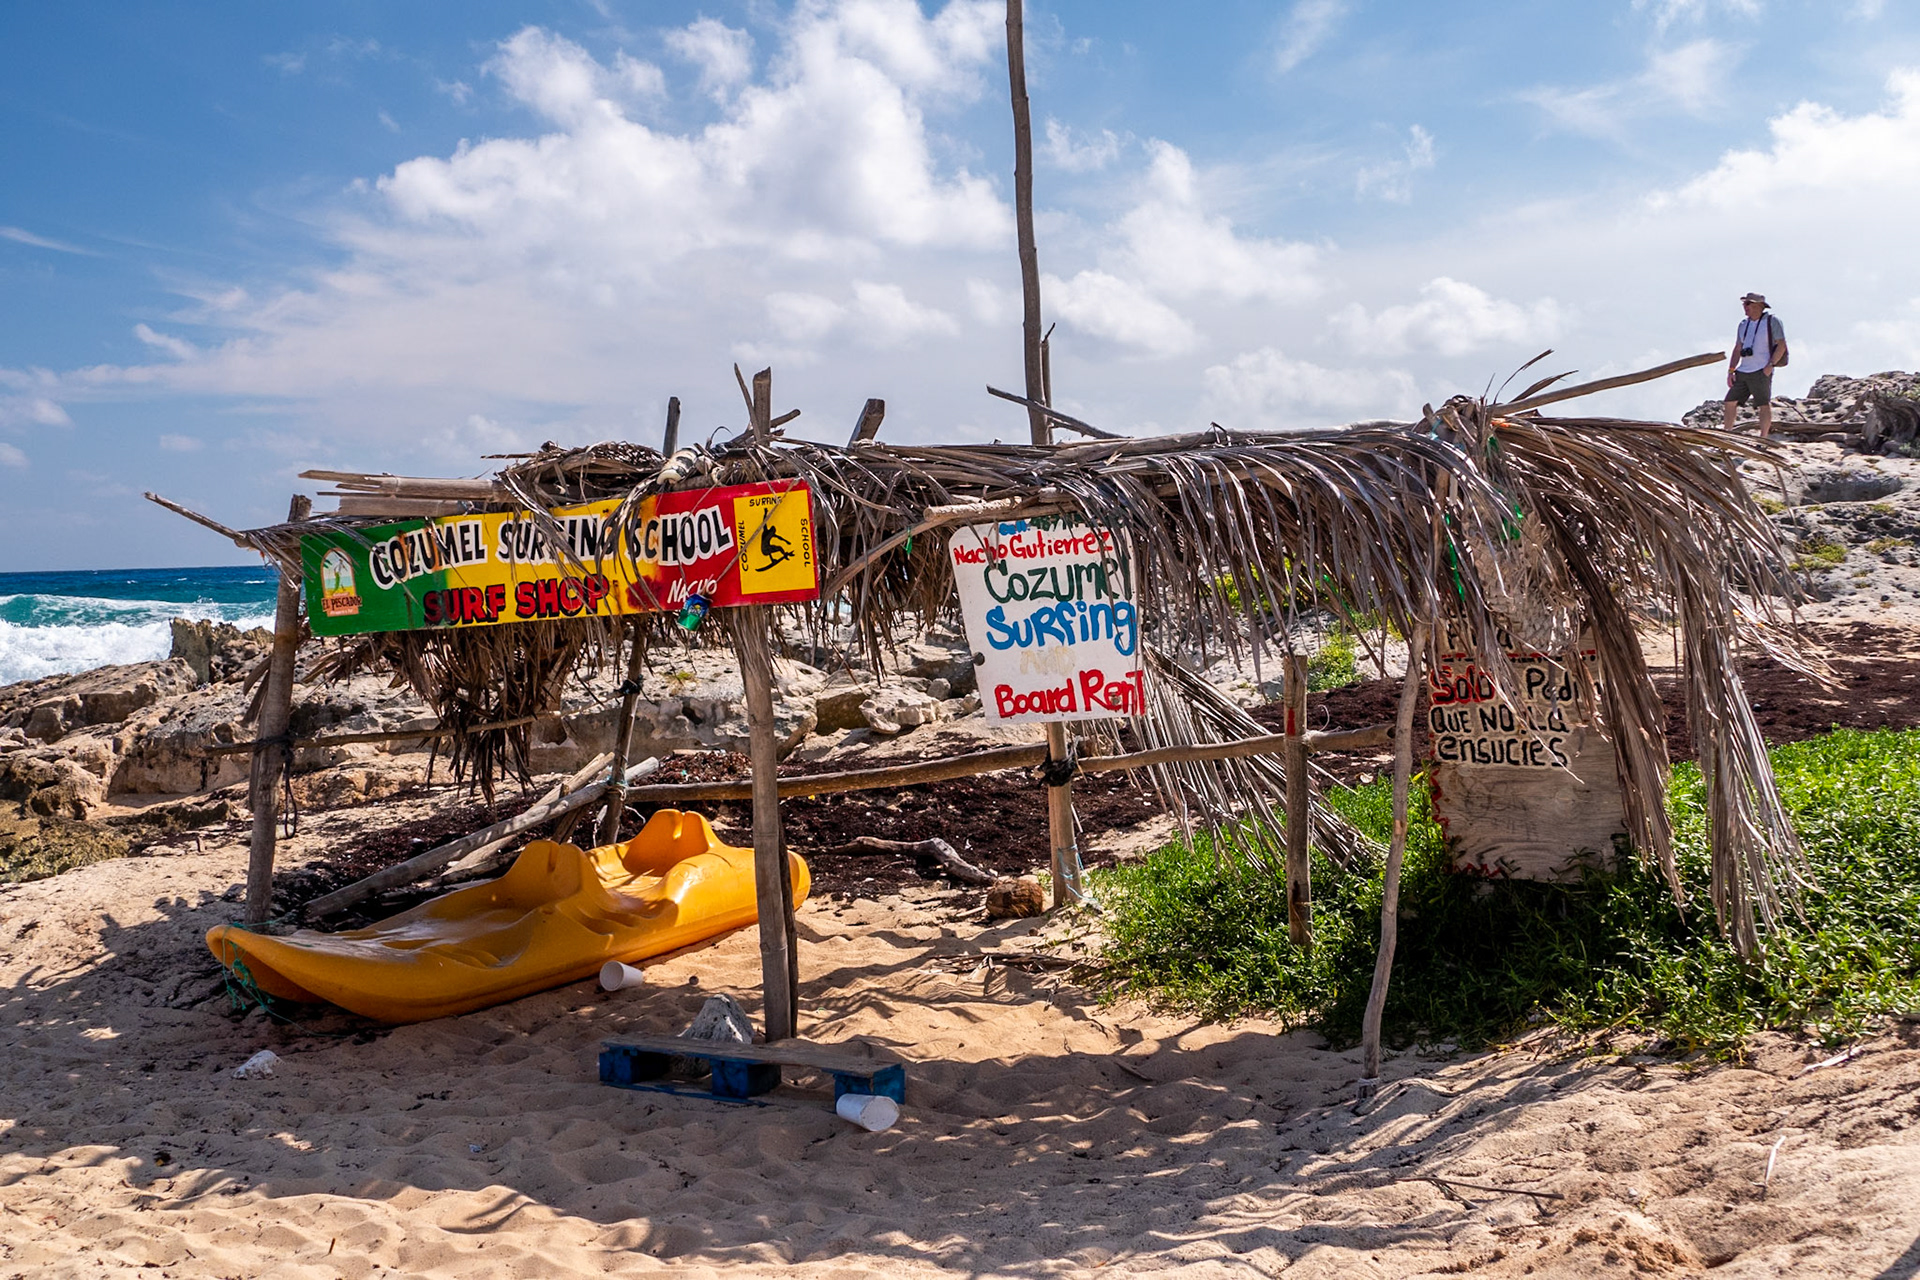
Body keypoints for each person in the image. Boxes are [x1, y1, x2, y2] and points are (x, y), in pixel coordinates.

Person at [1724, 292, 1787, 439]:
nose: (1745, 307)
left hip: (1761, 370)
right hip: (1743, 370)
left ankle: (1763, 438)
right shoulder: (1743, 325)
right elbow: (1738, 348)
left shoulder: (1772, 321)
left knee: (1763, 404)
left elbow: (1781, 345)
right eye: (1744, 304)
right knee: (1729, 402)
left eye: (1748, 304)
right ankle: (1727, 434)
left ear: (1759, 306)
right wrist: (1731, 370)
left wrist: (1770, 365)